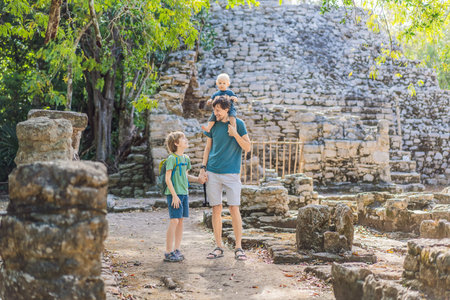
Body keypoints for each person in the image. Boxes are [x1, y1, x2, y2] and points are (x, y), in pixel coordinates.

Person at [199, 96, 251, 260]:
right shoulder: (213, 125)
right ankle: (218, 247)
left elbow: (248, 147)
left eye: (218, 111)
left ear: (227, 109)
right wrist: (202, 168)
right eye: (214, 110)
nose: (215, 113)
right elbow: (208, 148)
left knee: (234, 208)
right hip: (213, 172)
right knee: (216, 209)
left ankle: (238, 247)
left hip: (231, 173)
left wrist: (235, 134)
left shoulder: (239, 124)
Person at [163, 131, 201, 262]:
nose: (186, 140)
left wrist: (198, 179)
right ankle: (168, 252)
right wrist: (174, 195)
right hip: (174, 194)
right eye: (182, 138)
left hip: (184, 193)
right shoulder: (171, 158)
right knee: (174, 220)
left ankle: (176, 250)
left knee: (180, 221)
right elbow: (167, 179)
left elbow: (185, 176)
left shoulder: (186, 159)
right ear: (176, 143)